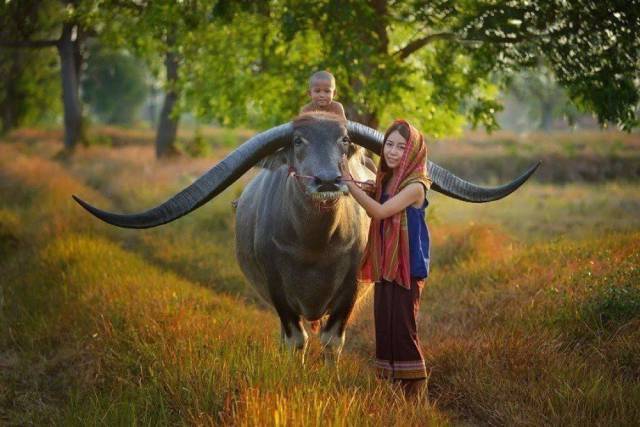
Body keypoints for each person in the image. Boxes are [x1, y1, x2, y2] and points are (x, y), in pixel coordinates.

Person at [339, 119, 432, 398]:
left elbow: (379, 212)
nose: (392, 152)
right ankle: (392, 398)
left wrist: (349, 184)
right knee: (386, 331)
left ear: (413, 151)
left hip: (407, 268)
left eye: (401, 147)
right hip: (386, 266)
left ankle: (418, 402)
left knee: (404, 333)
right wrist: (345, 178)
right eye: (389, 144)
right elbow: (370, 189)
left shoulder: (416, 185)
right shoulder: (386, 179)